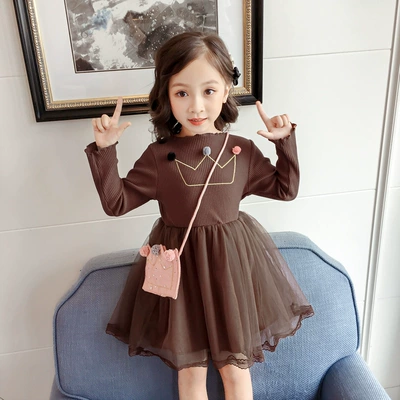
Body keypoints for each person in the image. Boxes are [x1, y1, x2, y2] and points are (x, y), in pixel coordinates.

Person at [85, 31, 314, 400]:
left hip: (232, 274)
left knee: (236, 371)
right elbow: (117, 203)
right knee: (190, 373)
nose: (196, 106)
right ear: (166, 95)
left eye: (208, 90)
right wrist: (105, 151)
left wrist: (284, 143)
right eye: (182, 93)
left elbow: (285, 190)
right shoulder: (158, 157)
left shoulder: (242, 150)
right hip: (181, 278)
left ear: (226, 90)